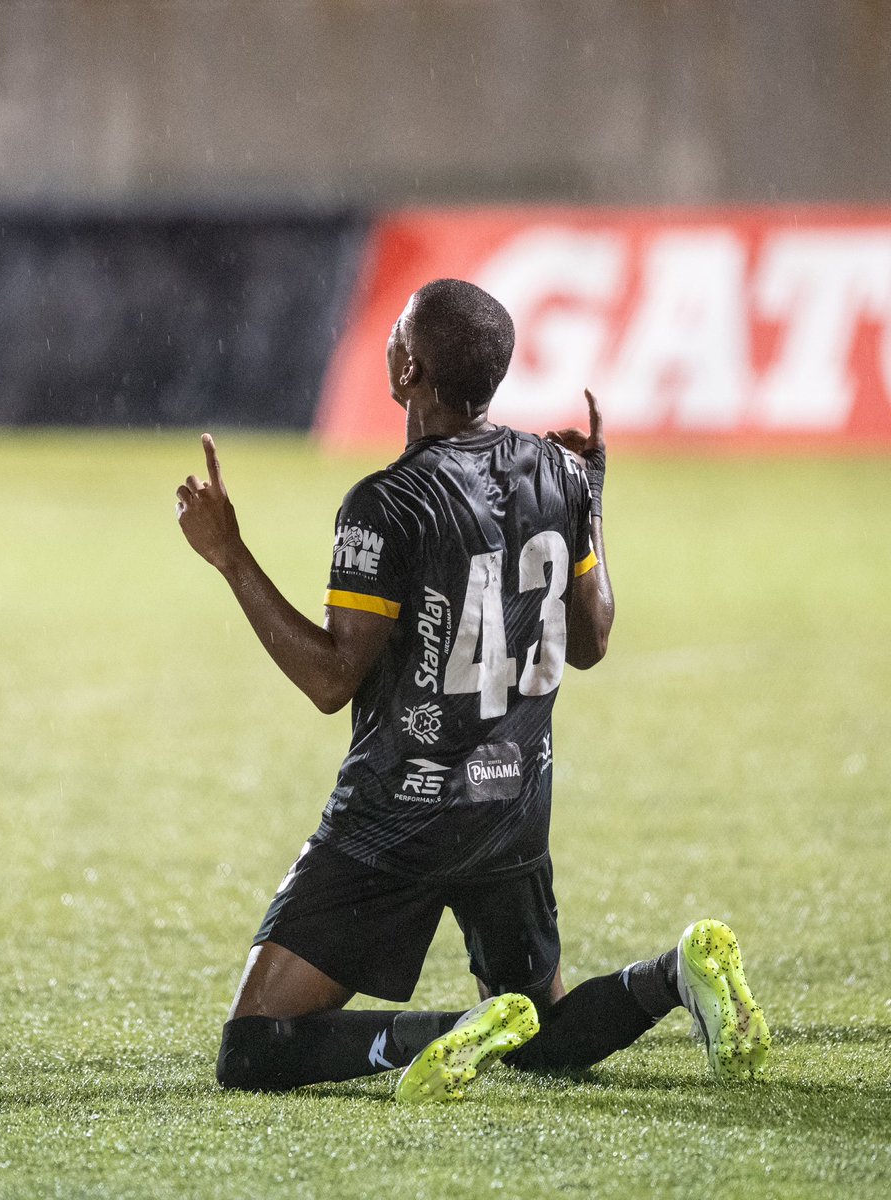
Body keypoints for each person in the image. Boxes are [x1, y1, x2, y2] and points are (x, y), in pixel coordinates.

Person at [175, 278, 770, 1100]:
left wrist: (229, 555)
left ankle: (446, 1034)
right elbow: (593, 643)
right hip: (512, 809)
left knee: (254, 1049)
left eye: (395, 333)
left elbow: (329, 678)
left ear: (408, 369)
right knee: (540, 1030)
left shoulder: (385, 504)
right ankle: (677, 976)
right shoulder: (561, 475)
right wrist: (590, 503)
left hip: (399, 815)